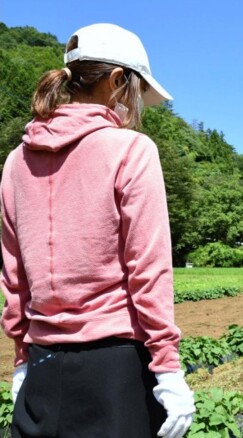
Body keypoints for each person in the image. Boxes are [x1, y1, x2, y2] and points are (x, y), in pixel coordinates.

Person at [1, 23, 195, 437]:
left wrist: (21, 359)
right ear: (117, 81)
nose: (137, 106)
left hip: (41, 365)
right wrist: (168, 368)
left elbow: (13, 276)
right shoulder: (131, 149)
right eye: (137, 93)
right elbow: (149, 268)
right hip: (115, 369)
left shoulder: (16, 160)